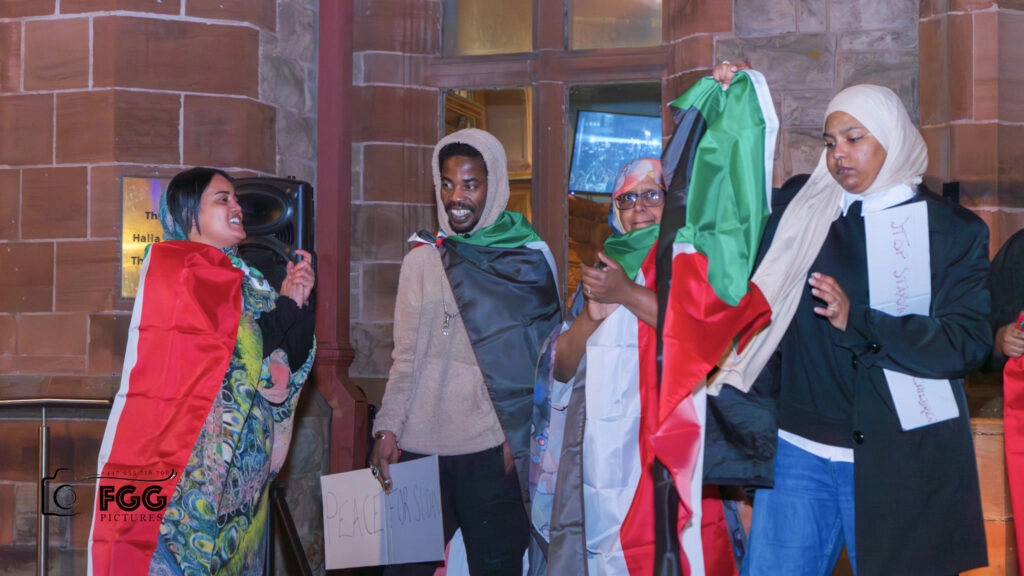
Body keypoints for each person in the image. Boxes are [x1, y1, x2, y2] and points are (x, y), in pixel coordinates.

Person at [710, 68, 990, 575]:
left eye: (854, 138)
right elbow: (730, 209)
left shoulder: (951, 231)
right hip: (798, 450)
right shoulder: (802, 210)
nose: (838, 153)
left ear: (891, 138)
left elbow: (967, 343)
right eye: (830, 141)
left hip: (895, 456)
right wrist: (729, 107)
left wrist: (859, 320)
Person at [89, 167, 316, 575]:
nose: (237, 206)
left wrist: (295, 301)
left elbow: (288, 348)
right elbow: (240, 344)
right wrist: (281, 319)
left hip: (240, 483)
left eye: (235, 198)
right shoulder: (177, 270)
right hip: (188, 474)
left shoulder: (250, 279)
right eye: (222, 198)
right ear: (188, 212)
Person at [369, 128, 561, 575]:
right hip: (418, 451)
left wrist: (524, 436)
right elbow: (406, 354)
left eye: (470, 184)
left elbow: (544, 361)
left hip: (491, 452)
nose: (457, 196)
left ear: (493, 187)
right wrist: (386, 429)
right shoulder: (421, 257)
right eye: (448, 183)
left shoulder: (526, 258)